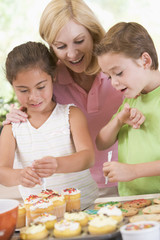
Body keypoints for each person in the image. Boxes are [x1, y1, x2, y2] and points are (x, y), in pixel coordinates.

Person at [3, 0, 123, 197]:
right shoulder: (49, 81)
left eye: (79, 41)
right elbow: (34, 101)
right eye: (61, 45)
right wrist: (16, 115)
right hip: (79, 187)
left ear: (93, 34)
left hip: (129, 177)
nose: (72, 53)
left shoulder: (118, 70)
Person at [0, 41, 98, 209]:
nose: (33, 96)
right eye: (23, 90)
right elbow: (2, 172)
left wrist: (58, 164)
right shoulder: (12, 127)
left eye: (41, 87)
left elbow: (88, 157)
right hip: (40, 215)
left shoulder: (71, 115)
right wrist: (20, 176)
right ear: (13, 87)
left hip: (86, 208)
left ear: (53, 77)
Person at [94, 21, 160, 196]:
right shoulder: (131, 99)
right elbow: (101, 143)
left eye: (119, 72)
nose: (114, 82)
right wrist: (118, 120)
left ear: (145, 60)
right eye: (109, 77)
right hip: (130, 199)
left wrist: (134, 171)